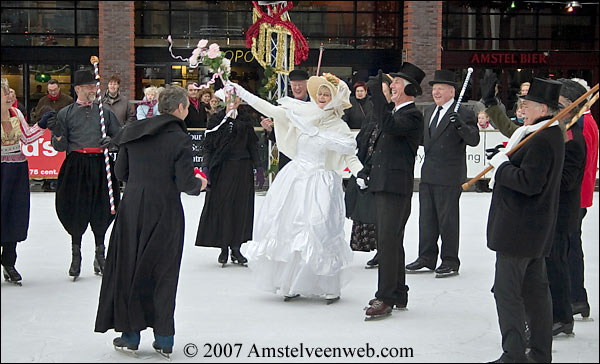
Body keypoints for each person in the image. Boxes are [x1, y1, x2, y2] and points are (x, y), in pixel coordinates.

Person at [229, 73, 362, 303]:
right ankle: (291, 282)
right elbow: (269, 109)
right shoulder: (301, 114)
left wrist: (361, 173)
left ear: (335, 98)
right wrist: (241, 91)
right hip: (295, 180)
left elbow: (349, 154)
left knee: (320, 230)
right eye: (319, 93)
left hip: (321, 183)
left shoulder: (339, 126)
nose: (321, 98)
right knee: (289, 228)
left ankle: (329, 285)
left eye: (326, 94)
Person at [95, 85, 207, 358]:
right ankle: (164, 338)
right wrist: (200, 185)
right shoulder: (178, 138)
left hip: (132, 209)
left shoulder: (134, 131)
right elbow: (185, 182)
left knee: (129, 268)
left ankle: (131, 336)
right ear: (181, 108)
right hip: (164, 211)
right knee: (162, 272)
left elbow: (122, 172)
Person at [486, 78, 565, 363]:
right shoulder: (539, 132)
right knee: (535, 295)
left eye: (527, 105)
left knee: (508, 295)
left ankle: (514, 354)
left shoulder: (544, 138)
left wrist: (502, 165)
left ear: (543, 108)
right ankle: (540, 353)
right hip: (530, 231)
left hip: (519, 232)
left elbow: (530, 183)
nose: (522, 109)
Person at [358, 63, 426, 319]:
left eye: (397, 82)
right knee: (392, 240)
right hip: (385, 183)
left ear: (409, 88)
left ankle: (385, 296)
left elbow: (388, 125)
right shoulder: (398, 111)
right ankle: (398, 291)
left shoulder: (412, 115)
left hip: (395, 187)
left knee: (387, 241)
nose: (393, 86)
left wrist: (377, 95)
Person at [45, 69, 122, 280]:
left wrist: (112, 143)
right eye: (88, 87)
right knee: (76, 207)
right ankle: (76, 253)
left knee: (102, 207)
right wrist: (59, 135)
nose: (92, 90)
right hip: (76, 165)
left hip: (100, 164)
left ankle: (100, 252)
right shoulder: (66, 113)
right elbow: (59, 146)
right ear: (78, 89)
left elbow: (120, 134)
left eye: (93, 86)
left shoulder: (104, 112)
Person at [405, 70, 479, 278]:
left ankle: (450, 260)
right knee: (426, 219)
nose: (435, 92)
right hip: (428, 173)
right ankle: (426, 257)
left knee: (448, 220)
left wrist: (460, 125)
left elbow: (474, 140)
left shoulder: (463, 112)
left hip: (449, 175)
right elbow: (424, 138)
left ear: (452, 91)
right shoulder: (429, 111)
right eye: (434, 88)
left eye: (440, 89)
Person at [194, 89, 264, 266]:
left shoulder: (245, 119)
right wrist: (206, 167)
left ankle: (236, 247)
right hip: (222, 169)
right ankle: (223, 247)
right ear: (224, 99)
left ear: (240, 100)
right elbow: (208, 145)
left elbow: (252, 145)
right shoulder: (217, 119)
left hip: (242, 169)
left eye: (236, 98)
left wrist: (259, 167)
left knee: (240, 208)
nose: (233, 101)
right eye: (229, 97)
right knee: (222, 206)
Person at [546, 79, 588, 336]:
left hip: (562, 212)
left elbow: (566, 180)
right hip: (552, 211)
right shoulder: (558, 132)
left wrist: (538, 175)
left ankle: (562, 316)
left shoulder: (572, 137)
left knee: (556, 264)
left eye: (558, 104)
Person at [1, 77, 46, 285]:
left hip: (17, 170)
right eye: (6, 92)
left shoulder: (16, 114)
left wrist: (42, 125)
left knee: (14, 214)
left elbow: (27, 138)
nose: (11, 95)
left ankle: (9, 261)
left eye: (10, 92)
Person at [345, 74, 392, 269]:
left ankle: (385, 251)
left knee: (384, 216)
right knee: (367, 211)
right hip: (366, 168)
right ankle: (378, 250)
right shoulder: (373, 113)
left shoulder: (393, 112)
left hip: (385, 172)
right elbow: (362, 139)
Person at [568, 78, 598, 321]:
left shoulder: (583, 123)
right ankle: (577, 297)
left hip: (575, 195)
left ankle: (577, 297)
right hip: (579, 194)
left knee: (570, 249)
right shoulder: (585, 121)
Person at [260, 69, 310, 173]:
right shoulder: (285, 106)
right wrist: (270, 129)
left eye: (300, 85)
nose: (297, 88)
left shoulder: (314, 106)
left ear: (307, 85)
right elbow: (279, 137)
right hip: (288, 160)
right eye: (294, 85)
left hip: (308, 158)